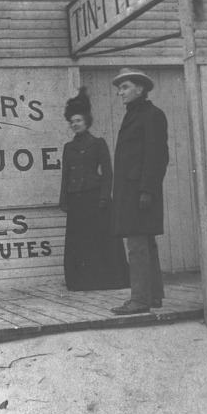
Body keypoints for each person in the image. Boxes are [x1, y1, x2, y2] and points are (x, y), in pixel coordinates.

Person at [109, 68, 169, 315]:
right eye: (119, 89)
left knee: (138, 246)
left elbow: (157, 156)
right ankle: (152, 296)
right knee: (144, 244)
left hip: (140, 193)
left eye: (125, 87)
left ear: (140, 89)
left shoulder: (152, 115)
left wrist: (147, 190)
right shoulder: (134, 115)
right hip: (132, 192)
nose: (120, 93)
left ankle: (140, 300)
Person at [59, 88, 130, 292]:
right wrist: (63, 198)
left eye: (78, 120)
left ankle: (108, 280)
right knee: (80, 241)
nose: (75, 124)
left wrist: (104, 197)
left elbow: (108, 173)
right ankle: (82, 281)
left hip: (94, 198)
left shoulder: (98, 144)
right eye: (72, 122)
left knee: (100, 240)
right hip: (76, 200)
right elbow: (66, 175)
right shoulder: (68, 148)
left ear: (87, 121)